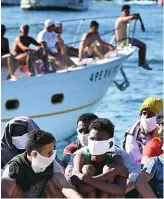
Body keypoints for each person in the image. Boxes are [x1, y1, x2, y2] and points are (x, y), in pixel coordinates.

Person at [1, 129, 82, 198]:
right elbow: (3, 194)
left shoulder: (53, 164)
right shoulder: (14, 167)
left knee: (54, 186)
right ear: (34, 154)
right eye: (49, 153)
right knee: (13, 190)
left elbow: (65, 186)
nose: (53, 156)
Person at [71, 118, 129, 197]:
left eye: (99, 139)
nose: (94, 142)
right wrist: (112, 173)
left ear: (110, 144)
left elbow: (120, 191)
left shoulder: (116, 159)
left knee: (108, 168)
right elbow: (79, 186)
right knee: (87, 168)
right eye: (92, 139)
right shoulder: (81, 156)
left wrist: (85, 179)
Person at [123, 96, 163, 164]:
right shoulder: (132, 134)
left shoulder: (161, 127)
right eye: (144, 113)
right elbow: (134, 162)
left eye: (151, 114)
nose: (146, 117)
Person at [115, 4, 152, 70]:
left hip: (126, 39)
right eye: (126, 11)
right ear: (122, 11)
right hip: (123, 41)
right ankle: (142, 63)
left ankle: (142, 63)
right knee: (143, 46)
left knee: (143, 45)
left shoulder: (126, 18)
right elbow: (131, 17)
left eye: (128, 11)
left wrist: (142, 25)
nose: (127, 12)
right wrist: (133, 16)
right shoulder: (121, 19)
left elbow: (137, 15)